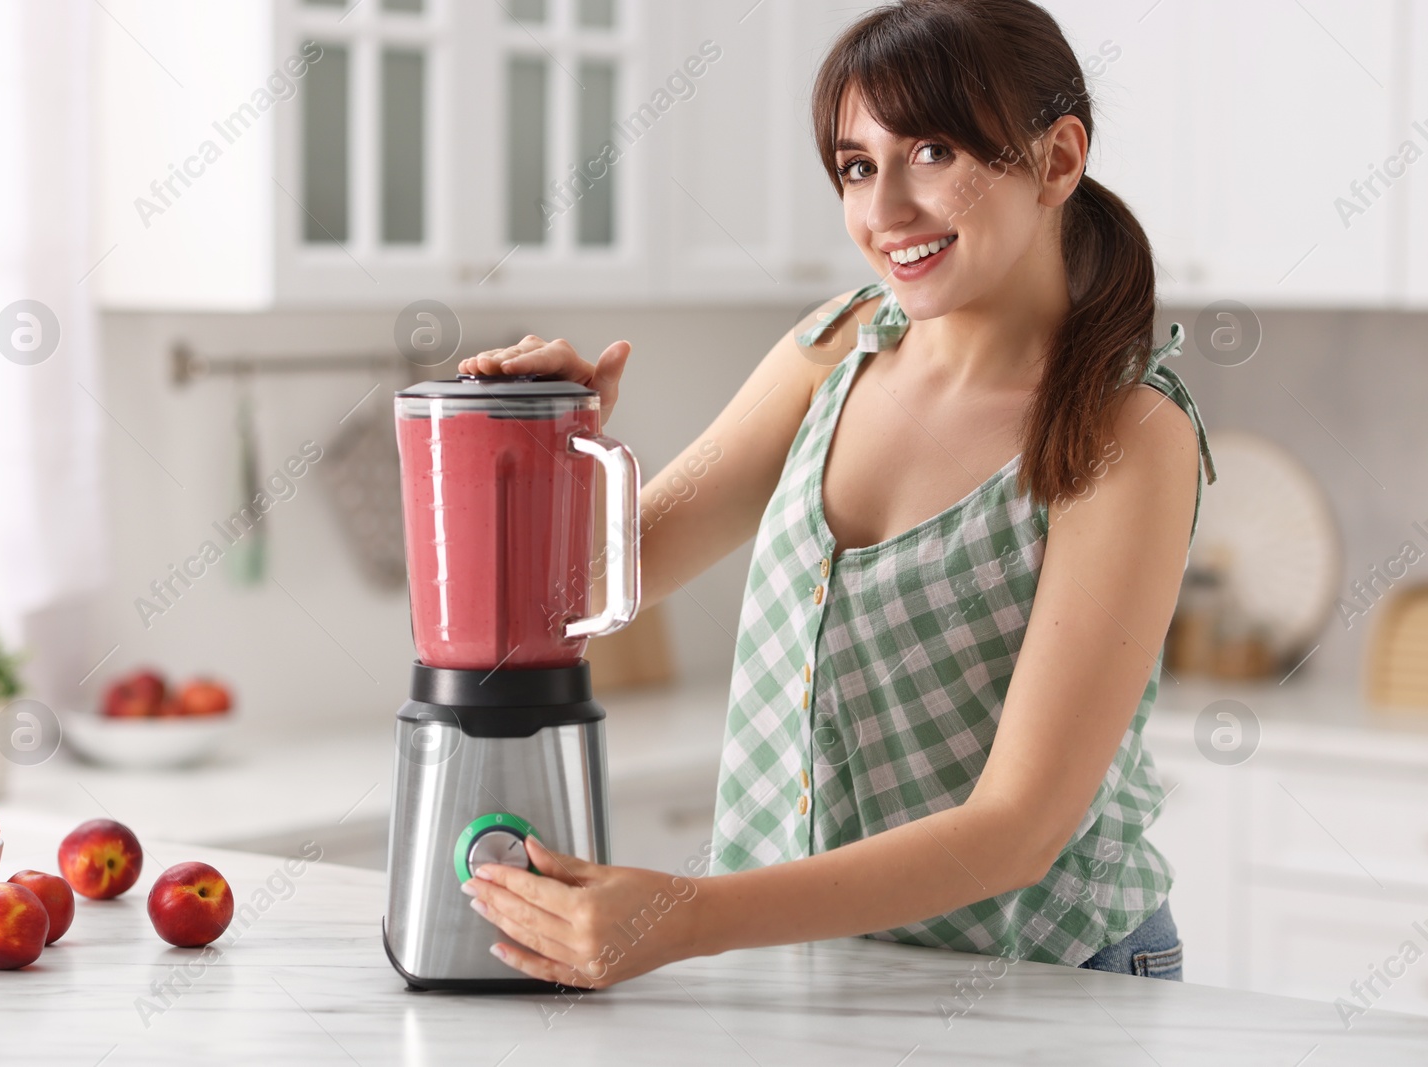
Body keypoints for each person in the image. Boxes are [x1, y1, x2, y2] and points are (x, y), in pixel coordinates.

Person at [455, 0, 1215, 989]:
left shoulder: (1127, 429)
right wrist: (550, 441)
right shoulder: (836, 345)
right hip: (816, 968)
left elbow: (1015, 830)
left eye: (933, 150)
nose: (884, 212)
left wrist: (682, 914)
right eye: (857, 166)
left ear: (1057, 159)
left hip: (1049, 974)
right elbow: (584, 592)